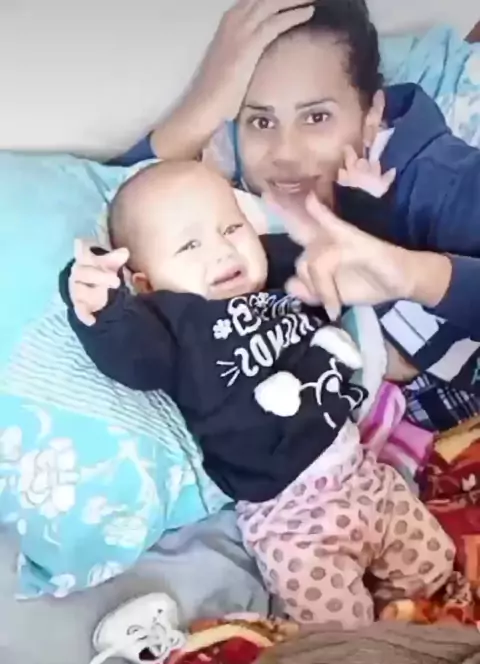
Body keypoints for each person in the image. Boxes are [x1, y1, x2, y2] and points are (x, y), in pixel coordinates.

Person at [59, 160, 454, 628]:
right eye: (189, 245)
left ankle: (410, 630)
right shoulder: (172, 325)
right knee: (340, 634)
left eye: (232, 227)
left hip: (363, 475)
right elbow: (129, 357)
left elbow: (334, 254)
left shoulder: (278, 276)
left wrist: (362, 204)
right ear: (144, 283)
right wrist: (101, 307)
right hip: (291, 519)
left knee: (436, 568)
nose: (223, 250)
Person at [117, 0, 480, 431]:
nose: (285, 154)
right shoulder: (233, 167)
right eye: (261, 121)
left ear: (371, 117)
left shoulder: (440, 183)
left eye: (317, 117)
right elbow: (133, 206)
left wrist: (411, 275)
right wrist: (204, 100)